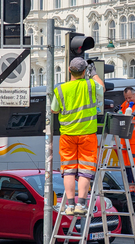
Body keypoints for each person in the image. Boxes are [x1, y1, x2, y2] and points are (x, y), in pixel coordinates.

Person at [51, 57, 104, 215]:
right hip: (87, 134)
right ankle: (81, 204)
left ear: (69, 70)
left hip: (67, 136)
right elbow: (102, 87)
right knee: (85, 170)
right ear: (83, 72)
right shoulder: (91, 85)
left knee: (68, 170)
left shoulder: (61, 89)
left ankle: (69, 205)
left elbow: (54, 110)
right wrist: (93, 73)